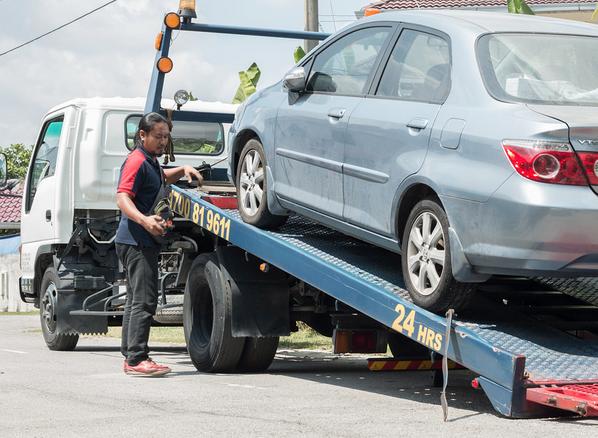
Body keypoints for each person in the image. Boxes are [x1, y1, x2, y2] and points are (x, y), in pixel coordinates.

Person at [115, 112, 202, 377]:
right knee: (144, 299)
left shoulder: (150, 161)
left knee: (134, 299)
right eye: (158, 136)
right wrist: (144, 221)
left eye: (166, 136)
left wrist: (183, 169)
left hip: (137, 240)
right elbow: (122, 197)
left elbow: (162, 177)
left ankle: (130, 355)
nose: (163, 141)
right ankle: (137, 358)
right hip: (137, 239)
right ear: (142, 135)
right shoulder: (136, 161)